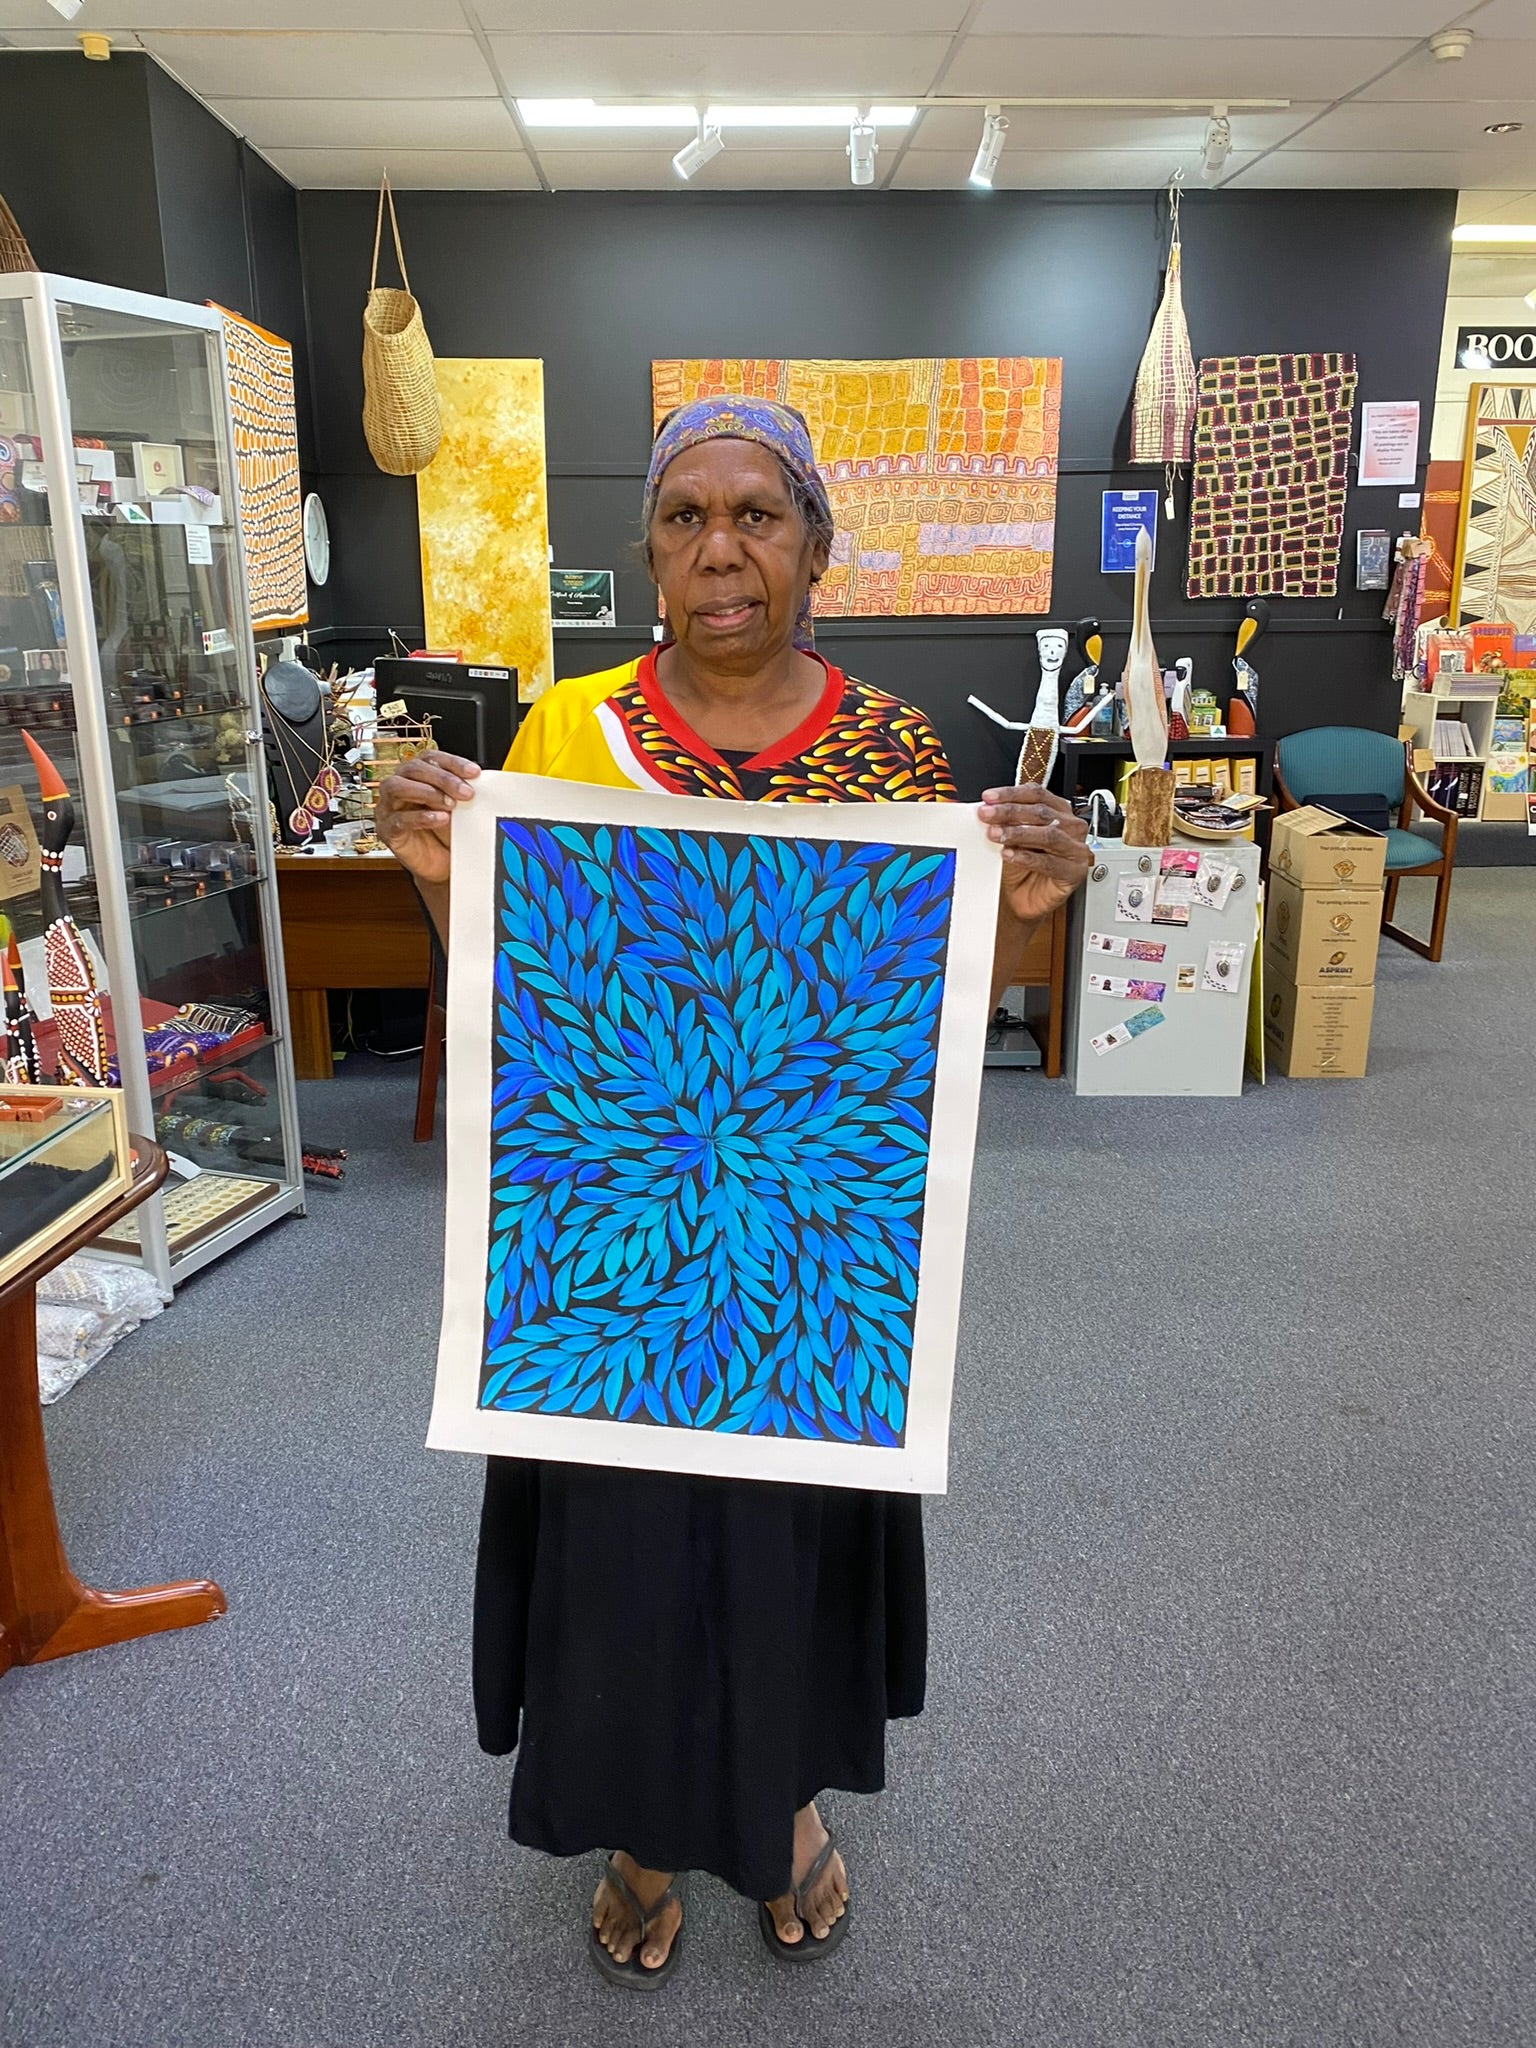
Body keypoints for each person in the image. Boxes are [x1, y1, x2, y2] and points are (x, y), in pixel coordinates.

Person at [376, 397, 1092, 1989]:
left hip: (811, 1242)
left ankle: (783, 1805)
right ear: (647, 551)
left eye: (758, 516)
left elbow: (921, 1032)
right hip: (616, 1241)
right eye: (687, 516)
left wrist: (1032, 913)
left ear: (816, 550)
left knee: (789, 1540)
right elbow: (526, 1014)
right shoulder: (564, 739)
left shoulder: (896, 750)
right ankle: (639, 1826)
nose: (721, 549)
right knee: (625, 1538)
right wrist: (446, 886)